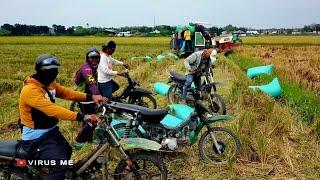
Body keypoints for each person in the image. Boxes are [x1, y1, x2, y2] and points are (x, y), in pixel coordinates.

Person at [19, 54, 107, 180]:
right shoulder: (30, 90)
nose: (54, 73)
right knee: (61, 164)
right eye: (50, 70)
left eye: (55, 70)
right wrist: (83, 116)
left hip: (50, 131)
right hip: (36, 137)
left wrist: (91, 97)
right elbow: (53, 110)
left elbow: (67, 93)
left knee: (67, 151)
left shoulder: (49, 83)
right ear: (40, 71)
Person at [74, 47, 101, 114]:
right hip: (84, 96)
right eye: (92, 58)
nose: (95, 60)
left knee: (93, 114)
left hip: (89, 94)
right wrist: (98, 95)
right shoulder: (87, 69)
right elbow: (91, 83)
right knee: (88, 118)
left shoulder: (93, 67)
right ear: (87, 58)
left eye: (97, 57)